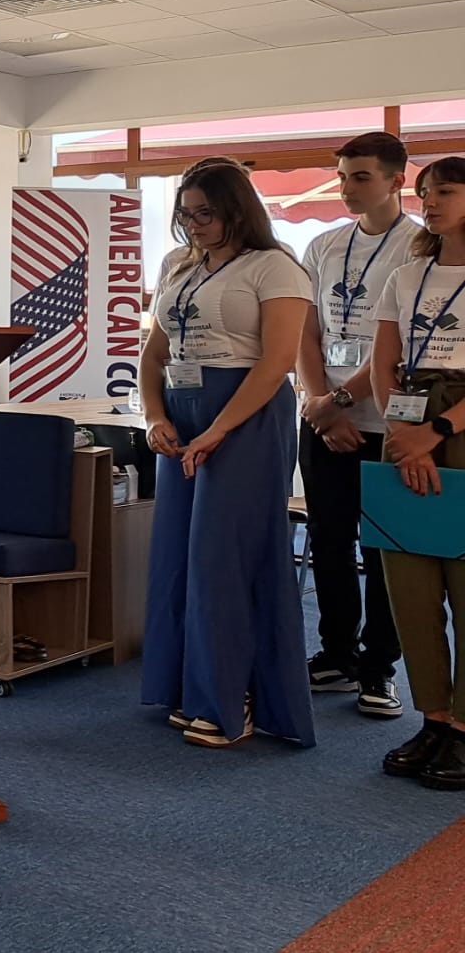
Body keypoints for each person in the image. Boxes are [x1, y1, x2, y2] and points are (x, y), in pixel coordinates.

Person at [140, 158, 314, 748]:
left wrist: (218, 429)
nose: (194, 225)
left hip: (245, 415)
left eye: (205, 214)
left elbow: (277, 362)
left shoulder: (274, 266)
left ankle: (231, 695)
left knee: (225, 556)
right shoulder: (178, 265)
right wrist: (155, 416)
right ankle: (186, 686)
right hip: (182, 411)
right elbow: (153, 352)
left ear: (237, 210)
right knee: (176, 556)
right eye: (186, 215)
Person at [294, 132, 411, 719]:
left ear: (396, 180)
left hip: (387, 422)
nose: (346, 188)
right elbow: (304, 333)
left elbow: (402, 344)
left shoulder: (421, 246)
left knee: (384, 547)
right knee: (330, 540)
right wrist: (320, 403)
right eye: (341, 176)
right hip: (323, 419)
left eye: (361, 177)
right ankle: (336, 653)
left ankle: (378, 667)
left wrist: (339, 399)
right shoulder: (322, 245)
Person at [371, 156, 465, 789]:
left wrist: (438, 432)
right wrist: (404, 434)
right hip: (405, 431)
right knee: (409, 583)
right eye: (425, 192)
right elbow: (384, 364)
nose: (429, 202)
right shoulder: (406, 275)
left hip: (455, 428)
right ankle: (433, 717)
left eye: (445, 192)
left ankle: (464, 727)